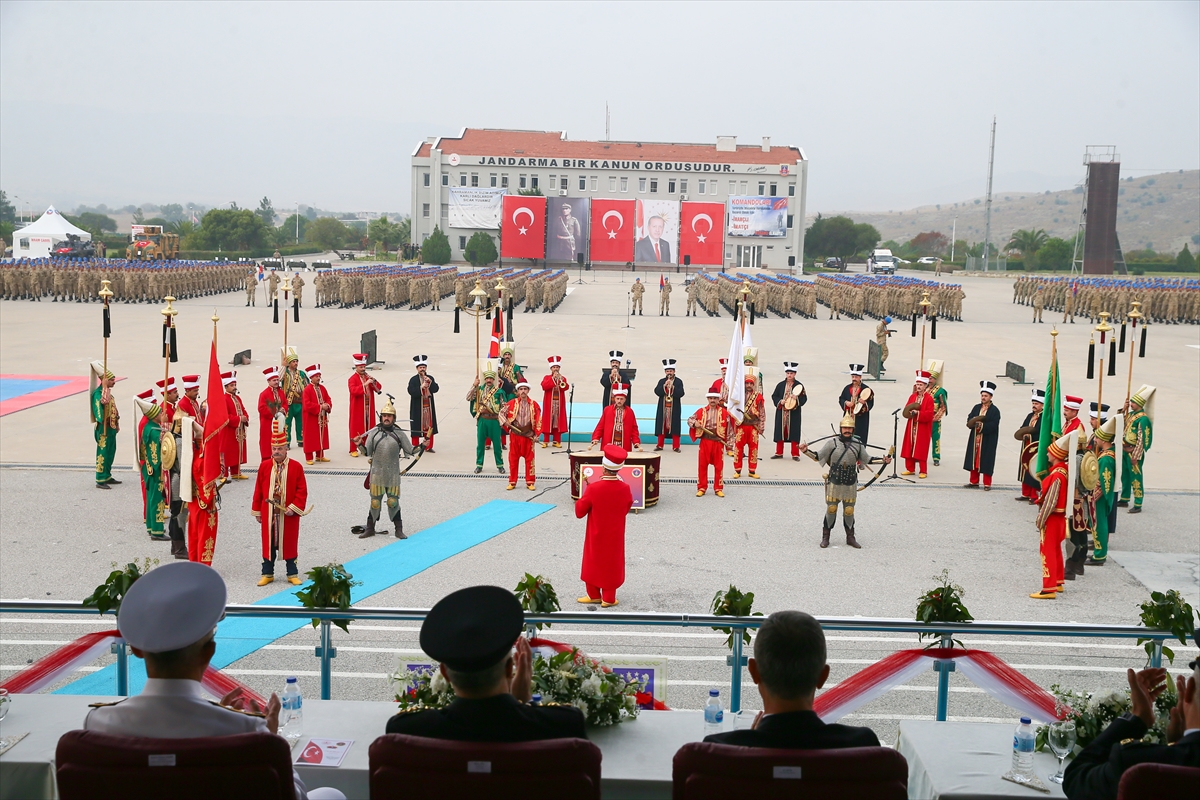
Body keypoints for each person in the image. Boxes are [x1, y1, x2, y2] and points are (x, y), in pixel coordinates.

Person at [82, 561, 345, 800]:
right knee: (332, 794)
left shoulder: (98, 724)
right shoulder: (245, 730)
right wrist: (271, 741)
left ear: (137, 650)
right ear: (209, 652)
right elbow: (293, 796)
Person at [385, 585, 587, 741]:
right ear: (510, 670)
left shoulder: (406, 730)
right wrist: (524, 705)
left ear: (445, 674)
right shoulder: (565, 725)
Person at [704, 611, 880, 749]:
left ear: (754, 671)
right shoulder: (863, 744)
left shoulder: (716, 751)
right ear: (823, 676)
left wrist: (750, 744)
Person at [1062, 657, 1200, 799]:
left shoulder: (1137, 765)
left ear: (1188, 691)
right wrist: (1180, 743)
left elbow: (1075, 779)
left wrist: (1138, 717)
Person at [800, 412, 891, 549]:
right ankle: (826, 537)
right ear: (841, 429)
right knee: (831, 509)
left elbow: (867, 459)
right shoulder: (832, 443)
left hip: (850, 482)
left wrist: (883, 461)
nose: (847, 431)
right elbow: (818, 457)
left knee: (849, 511)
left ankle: (850, 537)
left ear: (853, 430)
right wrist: (806, 451)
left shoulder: (858, 444)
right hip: (834, 481)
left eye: (849, 428)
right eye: (845, 428)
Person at [252, 416, 309, 586]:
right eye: (274, 448)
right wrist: (257, 510)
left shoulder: (296, 467)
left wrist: (294, 507)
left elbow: (302, 490)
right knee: (268, 543)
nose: (276, 451)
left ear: (286, 449)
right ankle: (267, 573)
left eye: (280, 448)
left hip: (287, 513)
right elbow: (258, 489)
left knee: (289, 542)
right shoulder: (264, 466)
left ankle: (292, 573)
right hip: (269, 512)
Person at [575, 444, 634, 608]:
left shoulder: (593, 488)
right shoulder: (625, 488)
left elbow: (580, 511)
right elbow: (626, 507)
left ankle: (593, 594)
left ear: (604, 466)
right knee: (611, 561)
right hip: (615, 533)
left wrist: (584, 494)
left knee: (593, 559)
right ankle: (608, 598)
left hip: (596, 532)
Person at [357, 396, 418, 540]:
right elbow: (367, 452)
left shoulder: (399, 434)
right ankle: (370, 528)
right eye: (384, 415)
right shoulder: (374, 433)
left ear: (393, 418)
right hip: (377, 474)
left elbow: (410, 450)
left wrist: (422, 446)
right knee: (375, 502)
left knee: (393, 502)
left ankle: (398, 529)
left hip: (392, 475)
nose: (386, 418)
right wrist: (359, 444)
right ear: (381, 417)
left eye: (389, 416)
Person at [1031, 432, 1071, 600]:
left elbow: (1050, 501)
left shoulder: (1056, 476)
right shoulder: (1064, 471)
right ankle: (1058, 581)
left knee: (1047, 551)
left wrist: (1040, 519)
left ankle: (1049, 588)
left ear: (1055, 456)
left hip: (1052, 518)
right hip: (1060, 518)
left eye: (1049, 452)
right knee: (1056, 550)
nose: (1046, 454)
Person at [1087, 415, 1119, 567]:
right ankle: (1099, 552)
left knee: (1099, 524)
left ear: (1104, 440)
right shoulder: (1108, 453)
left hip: (1099, 496)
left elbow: (1104, 481)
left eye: (1097, 438)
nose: (1095, 440)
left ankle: (1099, 555)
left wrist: (1095, 496)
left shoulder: (1106, 458)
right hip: (1099, 494)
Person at [688, 392, 733, 497]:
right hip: (705, 441)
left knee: (719, 466)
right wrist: (694, 423)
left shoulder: (725, 412)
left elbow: (730, 429)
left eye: (715, 398)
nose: (712, 400)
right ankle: (702, 487)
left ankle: (718, 488)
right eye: (710, 398)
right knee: (702, 465)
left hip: (718, 442)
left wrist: (730, 445)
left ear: (718, 400)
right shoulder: (701, 411)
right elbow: (690, 419)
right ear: (708, 399)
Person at [136, 396, 169, 541]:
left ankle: (151, 526)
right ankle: (157, 530)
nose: (163, 414)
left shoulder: (149, 427)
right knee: (157, 499)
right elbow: (157, 455)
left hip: (148, 469)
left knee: (151, 498)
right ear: (155, 416)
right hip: (156, 471)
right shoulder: (155, 432)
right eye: (160, 413)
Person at [1119, 384, 1154, 514]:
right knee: (1125, 476)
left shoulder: (1143, 419)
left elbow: (1142, 438)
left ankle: (1138, 502)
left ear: (1139, 404)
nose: (1131, 404)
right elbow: (1120, 422)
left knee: (1136, 478)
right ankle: (1124, 498)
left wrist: (1136, 455)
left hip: (1133, 452)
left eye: (1133, 402)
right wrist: (1123, 409)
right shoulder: (1131, 415)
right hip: (1124, 448)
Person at [500, 382, 541, 491]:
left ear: (528, 391)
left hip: (528, 436)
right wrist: (505, 422)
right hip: (515, 435)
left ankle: (530, 481)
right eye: (521, 389)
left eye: (525, 389)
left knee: (530, 460)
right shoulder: (511, 403)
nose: (523, 391)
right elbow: (501, 413)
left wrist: (537, 434)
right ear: (518, 391)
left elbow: (538, 420)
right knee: (513, 460)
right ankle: (512, 481)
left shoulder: (534, 405)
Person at [963, 381, 1001, 490]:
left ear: (991, 396)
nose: (983, 398)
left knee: (986, 460)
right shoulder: (976, 407)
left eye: (986, 396)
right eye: (982, 395)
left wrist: (982, 426)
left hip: (987, 439)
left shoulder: (995, 411)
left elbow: (994, 425)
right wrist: (973, 423)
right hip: (975, 438)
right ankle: (974, 482)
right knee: (974, 459)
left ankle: (987, 484)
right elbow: (969, 418)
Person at [468, 366, 506, 474]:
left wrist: (501, 417)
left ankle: (500, 465)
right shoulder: (479, 389)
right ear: (485, 379)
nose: (489, 380)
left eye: (491, 378)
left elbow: (504, 406)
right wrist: (474, 385)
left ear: (494, 380)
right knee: (480, 444)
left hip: (494, 420)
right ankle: (479, 465)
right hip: (482, 420)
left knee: (497, 445)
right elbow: (468, 398)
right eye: (487, 378)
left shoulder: (499, 391)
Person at [91, 360, 121, 489]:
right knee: (102, 452)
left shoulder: (109, 393)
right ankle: (100, 477)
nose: (114, 381)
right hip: (103, 428)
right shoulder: (98, 395)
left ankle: (107, 474)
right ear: (104, 381)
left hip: (111, 428)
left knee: (111, 451)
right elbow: (98, 411)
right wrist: (102, 419)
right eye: (111, 380)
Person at [900, 370, 936, 478]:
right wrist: (910, 413)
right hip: (912, 426)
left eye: (921, 385)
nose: (919, 386)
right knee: (909, 446)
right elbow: (907, 408)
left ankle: (923, 471)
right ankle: (910, 469)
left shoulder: (929, 399)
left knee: (921, 448)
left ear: (925, 385)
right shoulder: (912, 397)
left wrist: (918, 414)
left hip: (922, 426)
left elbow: (930, 414)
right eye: (917, 384)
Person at [348, 353, 382, 456]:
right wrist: (365, 384)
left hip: (368, 407)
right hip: (358, 407)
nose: (363, 369)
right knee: (356, 426)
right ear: (356, 367)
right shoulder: (352, 379)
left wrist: (374, 382)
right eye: (361, 367)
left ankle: (367, 447)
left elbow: (379, 388)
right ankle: (353, 449)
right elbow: (353, 391)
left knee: (369, 427)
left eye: (364, 367)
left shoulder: (368, 377)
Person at [771, 363, 807, 460]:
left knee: (794, 432)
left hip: (794, 413)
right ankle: (779, 453)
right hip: (782, 412)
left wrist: (797, 399)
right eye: (788, 373)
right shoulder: (780, 385)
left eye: (791, 373)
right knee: (780, 432)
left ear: (795, 374)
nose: (789, 375)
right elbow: (774, 396)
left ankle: (795, 454)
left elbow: (804, 399)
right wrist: (780, 401)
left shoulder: (799, 386)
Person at [1015, 389, 1045, 503]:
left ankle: (1034, 495)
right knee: (1025, 469)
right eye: (1033, 403)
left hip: (1036, 447)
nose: (1034, 406)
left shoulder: (1044, 418)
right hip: (1026, 446)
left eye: (1036, 403)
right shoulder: (1030, 416)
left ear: (1042, 405)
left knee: (1033, 470)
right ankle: (1025, 493)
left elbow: (1042, 432)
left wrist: (1031, 436)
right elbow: (1023, 427)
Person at [734, 375, 765, 479]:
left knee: (754, 449)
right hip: (741, 426)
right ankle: (737, 470)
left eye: (751, 384)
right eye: (747, 383)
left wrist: (761, 426)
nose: (749, 385)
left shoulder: (758, 396)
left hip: (753, 427)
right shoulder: (739, 396)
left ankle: (752, 470)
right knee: (738, 449)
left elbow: (762, 412)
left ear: (754, 385)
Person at [591, 386, 641, 451]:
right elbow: (600, 425)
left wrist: (636, 441)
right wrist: (596, 437)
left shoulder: (630, 412)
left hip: (623, 444)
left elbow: (634, 428)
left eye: (621, 399)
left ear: (625, 399)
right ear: (614, 399)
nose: (619, 401)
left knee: (623, 459)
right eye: (617, 399)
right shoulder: (607, 410)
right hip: (609, 442)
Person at [300, 364, 331, 465]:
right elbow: (307, 405)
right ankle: (309, 456)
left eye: (319, 376)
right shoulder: (307, 390)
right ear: (311, 377)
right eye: (316, 376)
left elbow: (328, 398)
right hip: (311, 417)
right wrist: (320, 407)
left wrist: (328, 405)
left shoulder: (322, 388)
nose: (318, 378)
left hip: (322, 416)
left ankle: (320, 455)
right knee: (310, 436)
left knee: (321, 435)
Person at [407, 355, 439, 452]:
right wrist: (421, 387)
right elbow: (411, 391)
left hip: (428, 407)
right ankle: (415, 445)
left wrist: (431, 383)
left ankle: (428, 446)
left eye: (424, 367)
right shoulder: (413, 379)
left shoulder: (430, 378)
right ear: (417, 368)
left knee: (429, 426)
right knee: (416, 425)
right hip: (417, 408)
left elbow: (436, 389)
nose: (422, 369)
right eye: (420, 367)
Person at [221, 372, 249, 481]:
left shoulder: (237, 398)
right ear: (226, 386)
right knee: (228, 451)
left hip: (239, 429)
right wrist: (238, 419)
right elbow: (224, 416)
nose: (234, 387)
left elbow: (243, 409)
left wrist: (245, 417)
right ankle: (224, 474)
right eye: (232, 385)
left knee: (237, 451)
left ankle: (236, 472)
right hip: (229, 430)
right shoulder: (224, 399)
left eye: (235, 385)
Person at [653, 359, 685, 452]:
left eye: (670, 371)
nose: (669, 373)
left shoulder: (678, 381)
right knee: (661, 426)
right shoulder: (661, 381)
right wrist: (664, 386)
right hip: (663, 408)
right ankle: (660, 445)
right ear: (665, 372)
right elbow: (657, 392)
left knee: (675, 426)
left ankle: (676, 446)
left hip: (674, 408)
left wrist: (673, 387)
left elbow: (681, 393)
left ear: (674, 371)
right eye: (667, 371)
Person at [837, 365, 873, 445]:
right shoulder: (847, 388)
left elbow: (870, 403)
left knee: (860, 437)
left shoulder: (866, 389)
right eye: (853, 376)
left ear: (860, 377)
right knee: (847, 436)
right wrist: (846, 403)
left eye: (856, 377)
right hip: (848, 417)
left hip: (861, 420)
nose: (854, 379)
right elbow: (841, 399)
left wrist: (864, 403)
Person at [281, 350, 308, 450]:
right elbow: (278, 379)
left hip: (299, 401)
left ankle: (301, 440)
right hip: (289, 402)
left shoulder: (301, 374)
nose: (296, 363)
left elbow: (306, 385)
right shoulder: (285, 373)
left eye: (297, 361)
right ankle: (286, 442)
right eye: (293, 361)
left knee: (301, 422)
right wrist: (283, 366)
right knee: (287, 423)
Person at [540, 356, 569, 448]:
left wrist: (560, 380)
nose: (555, 369)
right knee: (548, 421)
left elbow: (565, 387)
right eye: (554, 367)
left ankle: (557, 441)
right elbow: (544, 386)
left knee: (557, 421)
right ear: (551, 368)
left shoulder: (563, 378)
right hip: (549, 403)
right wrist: (553, 379)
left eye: (557, 367)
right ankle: (545, 440)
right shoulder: (547, 377)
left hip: (559, 404)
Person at [257, 367, 285, 461]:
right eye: (274, 380)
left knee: (279, 441)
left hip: (279, 424)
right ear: (268, 381)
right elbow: (261, 408)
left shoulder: (281, 392)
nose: (276, 382)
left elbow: (285, 403)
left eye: (277, 380)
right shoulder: (264, 394)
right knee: (267, 443)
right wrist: (275, 413)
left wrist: (283, 410)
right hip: (268, 424)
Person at [928, 359, 948, 466]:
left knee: (935, 438)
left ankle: (936, 457)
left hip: (935, 419)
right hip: (924, 418)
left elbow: (943, 406)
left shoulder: (940, 391)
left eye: (931, 378)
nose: (929, 380)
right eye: (928, 378)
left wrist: (936, 417)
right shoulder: (923, 388)